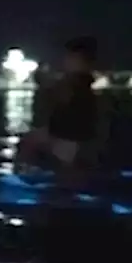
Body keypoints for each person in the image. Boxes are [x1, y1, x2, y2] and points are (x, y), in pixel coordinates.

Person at [16, 37, 101, 185]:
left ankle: (24, 178)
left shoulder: (75, 85)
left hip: (72, 145)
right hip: (71, 144)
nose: (65, 62)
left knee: (31, 140)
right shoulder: (79, 85)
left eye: (70, 58)